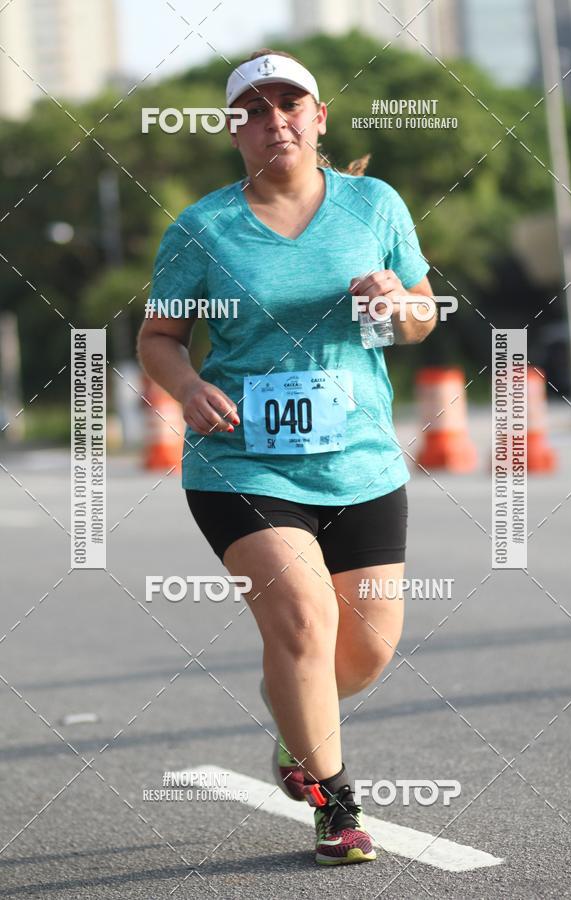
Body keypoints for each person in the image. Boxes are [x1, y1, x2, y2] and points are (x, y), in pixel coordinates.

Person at [137, 48, 436, 866]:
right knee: (302, 622)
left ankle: (296, 728)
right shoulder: (202, 229)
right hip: (243, 462)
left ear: (319, 118)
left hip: (363, 460)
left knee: (367, 650)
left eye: (291, 106)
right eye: (257, 112)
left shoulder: (374, 204)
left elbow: (420, 317)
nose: (277, 123)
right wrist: (188, 385)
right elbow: (158, 338)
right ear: (235, 130)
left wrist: (398, 304)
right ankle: (337, 807)